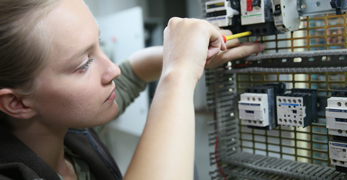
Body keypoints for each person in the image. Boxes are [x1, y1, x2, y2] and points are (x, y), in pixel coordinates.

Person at [0, 0, 265, 179]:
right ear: (17, 103)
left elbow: (132, 71)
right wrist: (180, 73)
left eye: (98, 44)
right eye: (83, 64)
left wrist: (184, 55)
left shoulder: (67, 129)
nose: (112, 69)